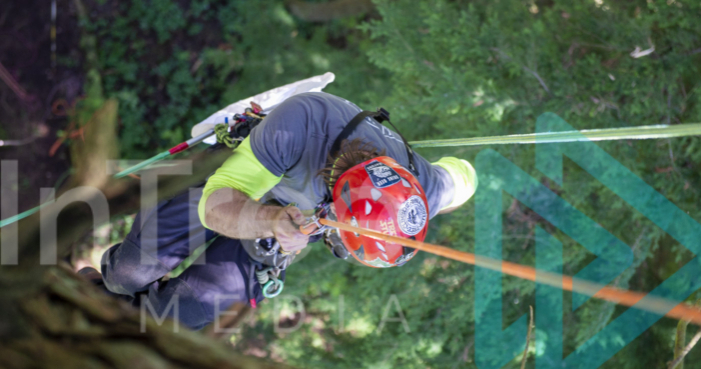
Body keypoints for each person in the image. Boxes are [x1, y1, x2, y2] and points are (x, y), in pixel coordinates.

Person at [94, 92, 476, 330]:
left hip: (283, 210)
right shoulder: (300, 124)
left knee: (182, 313)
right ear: (336, 202)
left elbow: (464, 176)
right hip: (235, 179)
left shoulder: (423, 186)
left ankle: (110, 320)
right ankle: (101, 290)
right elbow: (216, 205)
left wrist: (457, 189)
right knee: (128, 274)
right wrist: (272, 221)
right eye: (340, 241)